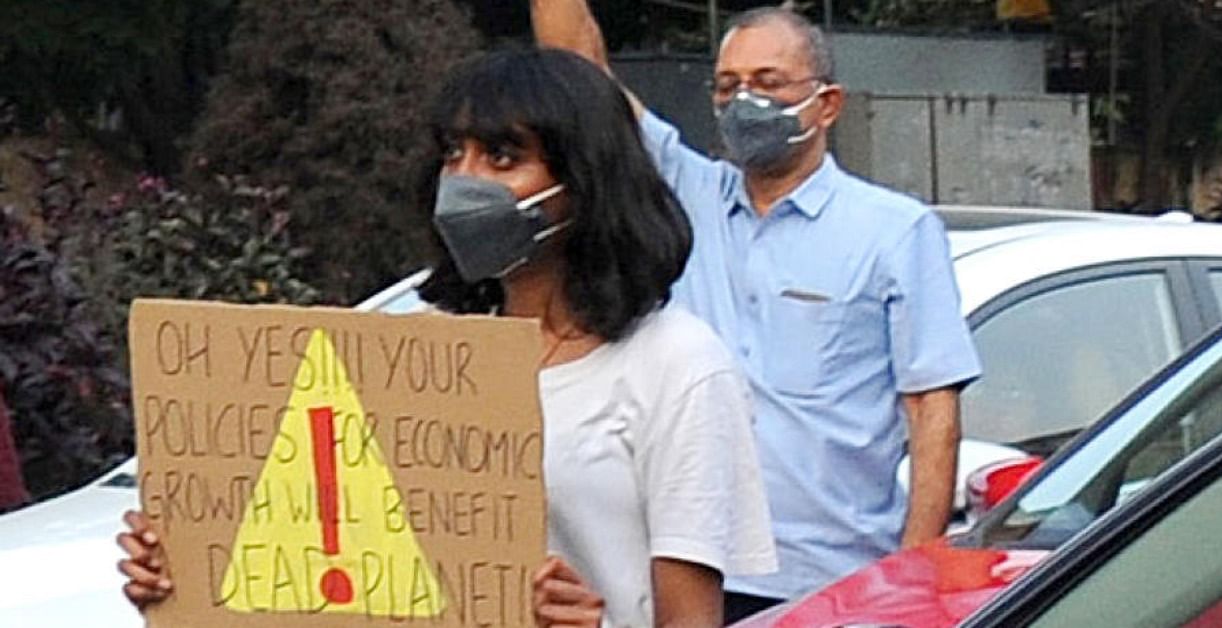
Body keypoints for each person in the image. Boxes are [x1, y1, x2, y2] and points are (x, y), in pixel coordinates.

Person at [117, 48, 777, 628]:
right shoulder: (414, 356)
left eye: (502, 156)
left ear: (586, 181)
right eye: (451, 155)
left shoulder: (677, 365)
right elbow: (328, 560)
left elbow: (691, 620)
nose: (465, 181)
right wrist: (186, 571)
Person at [530, 2, 982, 621]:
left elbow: (932, 410)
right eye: (727, 86)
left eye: (768, 84)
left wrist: (913, 573)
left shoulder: (896, 232)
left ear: (828, 104)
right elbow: (580, 69)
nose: (745, 101)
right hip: (687, 574)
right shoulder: (686, 198)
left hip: (831, 582)